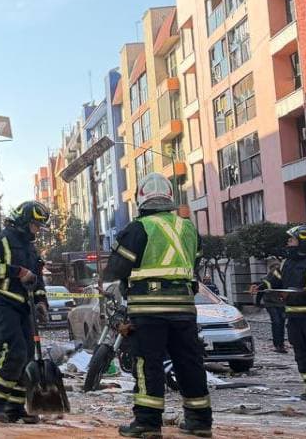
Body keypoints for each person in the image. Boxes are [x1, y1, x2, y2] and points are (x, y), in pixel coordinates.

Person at [103, 172, 211, 438]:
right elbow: (194, 265)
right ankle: (200, 421)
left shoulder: (137, 228)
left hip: (148, 310)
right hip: (184, 309)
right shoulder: (188, 227)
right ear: (170, 196)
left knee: (147, 364)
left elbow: (116, 270)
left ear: (141, 198)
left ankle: (148, 424)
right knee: (189, 362)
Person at [0, 200, 51, 424]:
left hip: (24, 306)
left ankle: (15, 406)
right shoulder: (1, 240)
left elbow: (37, 277)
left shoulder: (30, 248)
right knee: (14, 352)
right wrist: (17, 271)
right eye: (35, 225)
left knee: (27, 356)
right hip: (2, 304)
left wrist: (41, 301)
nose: (37, 230)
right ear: (24, 221)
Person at [261, 225, 306, 400]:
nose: (289, 243)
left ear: (305, 242)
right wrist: (260, 287)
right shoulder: (286, 264)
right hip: (293, 316)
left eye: (292, 239)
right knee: (300, 353)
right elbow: (274, 280)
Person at [249, 256, 288, 354]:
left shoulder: (282, 276)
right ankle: (277, 344)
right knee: (276, 322)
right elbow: (261, 290)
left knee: (281, 323)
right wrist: (258, 303)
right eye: (274, 267)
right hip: (270, 303)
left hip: (281, 303)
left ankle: (281, 344)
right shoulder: (268, 278)